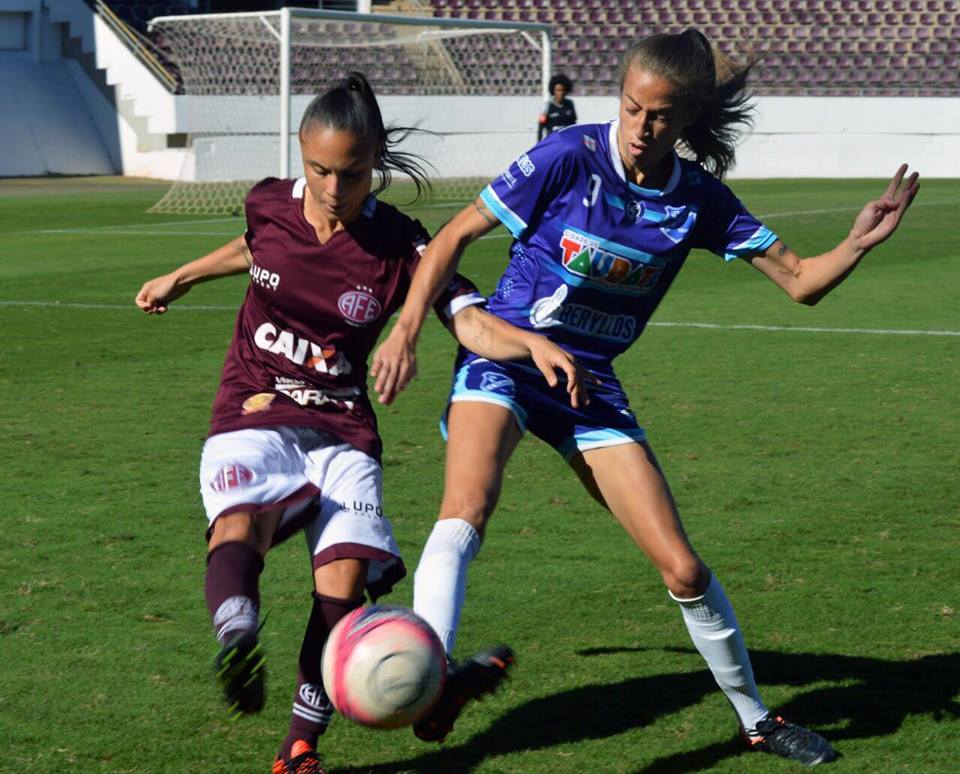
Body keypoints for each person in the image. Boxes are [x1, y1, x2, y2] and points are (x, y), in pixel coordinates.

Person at [370, 29, 919, 765]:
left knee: (684, 570)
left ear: (686, 119)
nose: (639, 126)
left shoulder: (698, 200)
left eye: (659, 116)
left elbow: (801, 281)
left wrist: (855, 243)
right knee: (467, 505)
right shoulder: (568, 157)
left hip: (589, 386)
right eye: (631, 107)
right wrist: (407, 330)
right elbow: (450, 239)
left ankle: (756, 721)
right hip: (505, 356)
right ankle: (432, 675)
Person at [135, 72, 583, 774]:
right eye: (318, 170)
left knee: (340, 588)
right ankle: (238, 634)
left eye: (350, 174)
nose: (333, 189)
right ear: (301, 155)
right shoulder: (266, 203)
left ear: (375, 162)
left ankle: (300, 747)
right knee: (240, 522)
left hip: (343, 429)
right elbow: (252, 252)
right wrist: (181, 276)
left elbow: (465, 318)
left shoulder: (400, 247)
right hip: (254, 405)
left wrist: (528, 343)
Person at [538, 73, 577, 141]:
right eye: (558, 90)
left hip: (567, 140)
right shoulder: (547, 106)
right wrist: (539, 145)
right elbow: (540, 128)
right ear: (553, 91)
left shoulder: (570, 104)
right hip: (553, 141)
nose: (561, 93)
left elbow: (574, 125)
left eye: (562, 90)